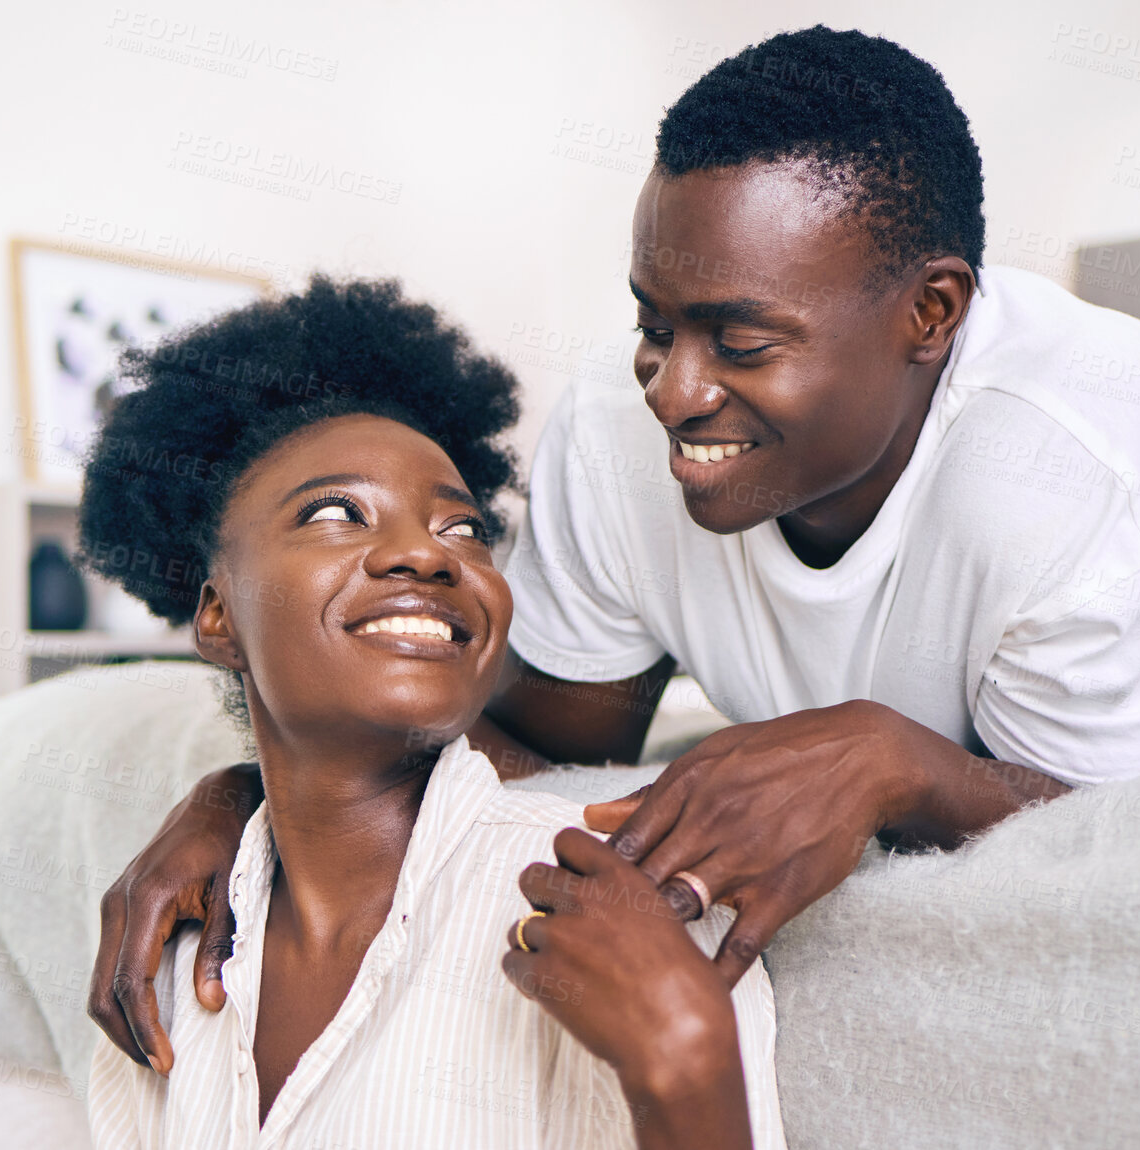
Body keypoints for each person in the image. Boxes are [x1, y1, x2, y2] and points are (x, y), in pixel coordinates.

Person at [86, 27, 1140, 1070]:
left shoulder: (1093, 466)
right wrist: (257, 789)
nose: (672, 389)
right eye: (651, 323)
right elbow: (549, 738)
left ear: (931, 313)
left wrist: (891, 754)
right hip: (1098, 574)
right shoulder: (624, 434)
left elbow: (1130, 859)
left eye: (738, 340)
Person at [79, 278, 783, 1149]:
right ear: (218, 615)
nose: (424, 552)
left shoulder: (611, 909)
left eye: (465, 531)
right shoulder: (170, 965)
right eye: (336, 512)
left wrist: (686, 1067)